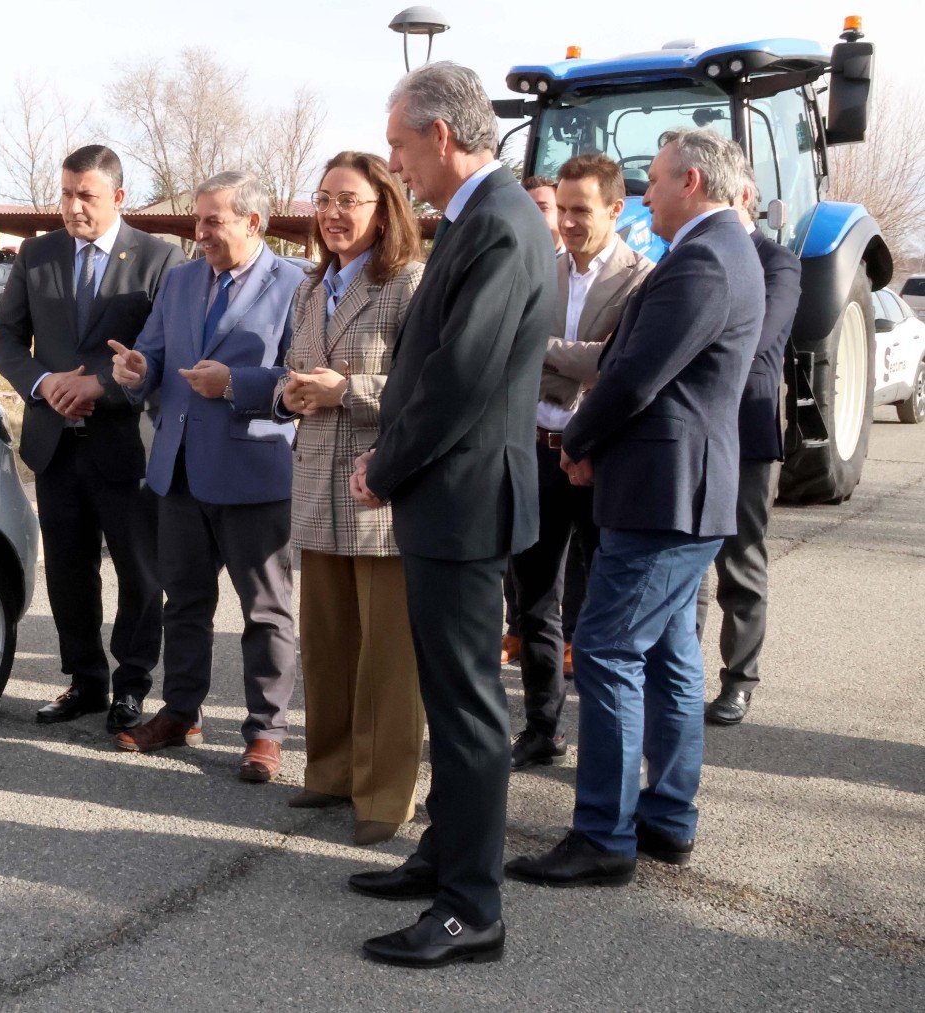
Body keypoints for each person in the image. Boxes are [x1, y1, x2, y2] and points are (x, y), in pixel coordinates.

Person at [506, 129, 763, 888]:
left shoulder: (706, 260)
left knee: (611, 649)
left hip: (663, 492)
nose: (646, 195)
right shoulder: (712, 253)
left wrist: (577, 440)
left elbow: (634, 376)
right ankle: (666, 816)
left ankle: (603, 836)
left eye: (653, 182)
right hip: (676, 490)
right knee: (671, 653)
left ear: (690, 181)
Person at [345, 62, 557, 969]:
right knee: (448, 693)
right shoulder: (482, 219)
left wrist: (385, 468)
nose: (396, 164)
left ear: (440, 135)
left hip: (463, 501)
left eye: (398, 144)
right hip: (451, 498)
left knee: (468, 709)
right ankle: (444, 852)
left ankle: (473, 907)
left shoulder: (502, 225)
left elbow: (460, 377)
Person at [109, 171, 306, 782]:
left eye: (213, 221)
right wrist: (137, 371)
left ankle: (266, 732)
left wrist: (237, 386)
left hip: (253, 473)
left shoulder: (297, 286)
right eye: (197, 221)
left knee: (265, 613)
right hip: (180, 472)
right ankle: (181, 712)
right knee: (185, 604)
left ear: (253, 222)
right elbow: (154, 356)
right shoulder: (182, 279)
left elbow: (304, 383)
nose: (199, 234)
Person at [0, 145, 184, 733]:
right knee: (68, 571)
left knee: (139, 573)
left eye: (87, 196)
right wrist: (45, 383)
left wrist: (100, 386)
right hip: (55, 444)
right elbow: (4, 340)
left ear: (119, 198)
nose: (73, 206)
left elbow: (165, 353)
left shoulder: (159, 259)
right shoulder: (38, 254)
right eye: (67, 193)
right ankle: (86, 681)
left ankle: (132, 685)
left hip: (125, 444)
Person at [272, 152, 425, 845]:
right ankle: (330, 773)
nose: (333, 213)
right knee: (329, 647)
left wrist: (348, 391)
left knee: (387, 660)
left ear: (383, 208)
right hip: (314, 486)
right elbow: (292, 370)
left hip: (377, 493)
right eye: (325, 199)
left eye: (350, 201)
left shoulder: (409, 283)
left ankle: (384, 797)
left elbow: (429, 393)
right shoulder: (309, 286)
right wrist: (289, 391)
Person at [509, 153, 654, 770]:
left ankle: (603, 740)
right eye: (560, 208)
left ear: (616, 209)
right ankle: (541, 727)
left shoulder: (644, 279)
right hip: (537, 457)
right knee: (534, 600)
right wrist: (575, 359)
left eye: (580, 210)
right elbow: (515, 349)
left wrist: (550, 356)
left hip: (597, 463)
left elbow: (615, 365)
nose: (565, 222)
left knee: (600, 611)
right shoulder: (541, 269)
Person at [702, 180, 801, 727]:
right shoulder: (687, 253)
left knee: (739, 562)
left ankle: (739, 680)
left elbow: (757, 338)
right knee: (686, 564)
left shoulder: (777, 263)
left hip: (745, 428)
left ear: (743, 196)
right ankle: (677, 676)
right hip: (694, 428)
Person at [500, 176, 566, 667]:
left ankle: (569, 640)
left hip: (579, 440)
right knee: (522, 555)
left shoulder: (625, 273)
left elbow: (608, 359)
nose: (545, 217)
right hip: (526, 432)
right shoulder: (520, 266)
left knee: (571, 563)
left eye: (546, 207)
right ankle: (518, 629)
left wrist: (536, 353)